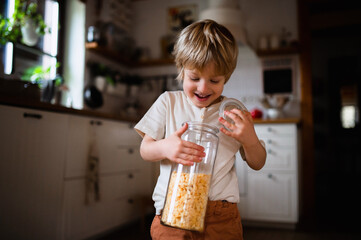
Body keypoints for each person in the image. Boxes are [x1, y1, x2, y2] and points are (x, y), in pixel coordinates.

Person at [134, 19, 266, 240]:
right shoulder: (168, 102)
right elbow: (145, 150)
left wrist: (250, 140)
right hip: (173, 209)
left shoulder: (234, 113)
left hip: (221, 216)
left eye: (214, 80)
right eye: (194, 78)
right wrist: (165, 147)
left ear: (227, 77)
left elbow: (258, 163)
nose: (203, 88)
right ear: (182, 70)